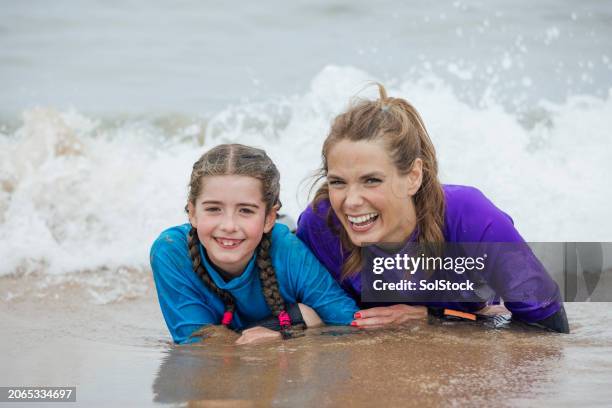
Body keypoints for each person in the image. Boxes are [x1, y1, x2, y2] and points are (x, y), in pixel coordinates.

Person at [296, 83, 570, 333]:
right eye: (338, 182)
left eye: (372, 180)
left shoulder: (471, 218)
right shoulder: (321, 225)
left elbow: (548, 327)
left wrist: (433, 316)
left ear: (413, 176)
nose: (351, 201)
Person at [150, 144, 358, 344]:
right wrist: (296, 321)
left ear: (269, 218)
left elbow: (351, 325)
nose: (229, 225)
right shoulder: (171, 251)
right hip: (271, 306)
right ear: (193, 213)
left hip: (276, 238)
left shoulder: (288, 251)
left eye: (246, 210)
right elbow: (196, 345)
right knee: (306, 315)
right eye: (214, 209)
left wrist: (286, 335)